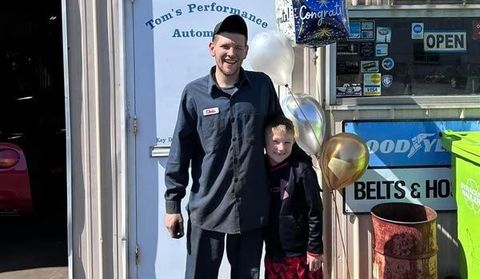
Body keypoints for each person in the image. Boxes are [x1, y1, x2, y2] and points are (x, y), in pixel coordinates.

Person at [164, 14, 284, 279]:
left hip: (251, 212)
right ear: (212, 49)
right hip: (207, 211)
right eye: (225, 46)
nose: (232, 53)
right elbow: (180, 152)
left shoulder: (262, 87)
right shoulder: (194, 94)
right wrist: (172, 205)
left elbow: (280, 138)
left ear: (246, 51)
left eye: (238, 47)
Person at [263, 116, 324, 279]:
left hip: (301, 254)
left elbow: (315, 212)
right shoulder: (260, 170)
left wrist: (315, 249)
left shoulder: (303, 170)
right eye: (275, 141)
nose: (281, 148)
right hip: (273, 253)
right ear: (265, 142)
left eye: (287, 142)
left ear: (294, 143)